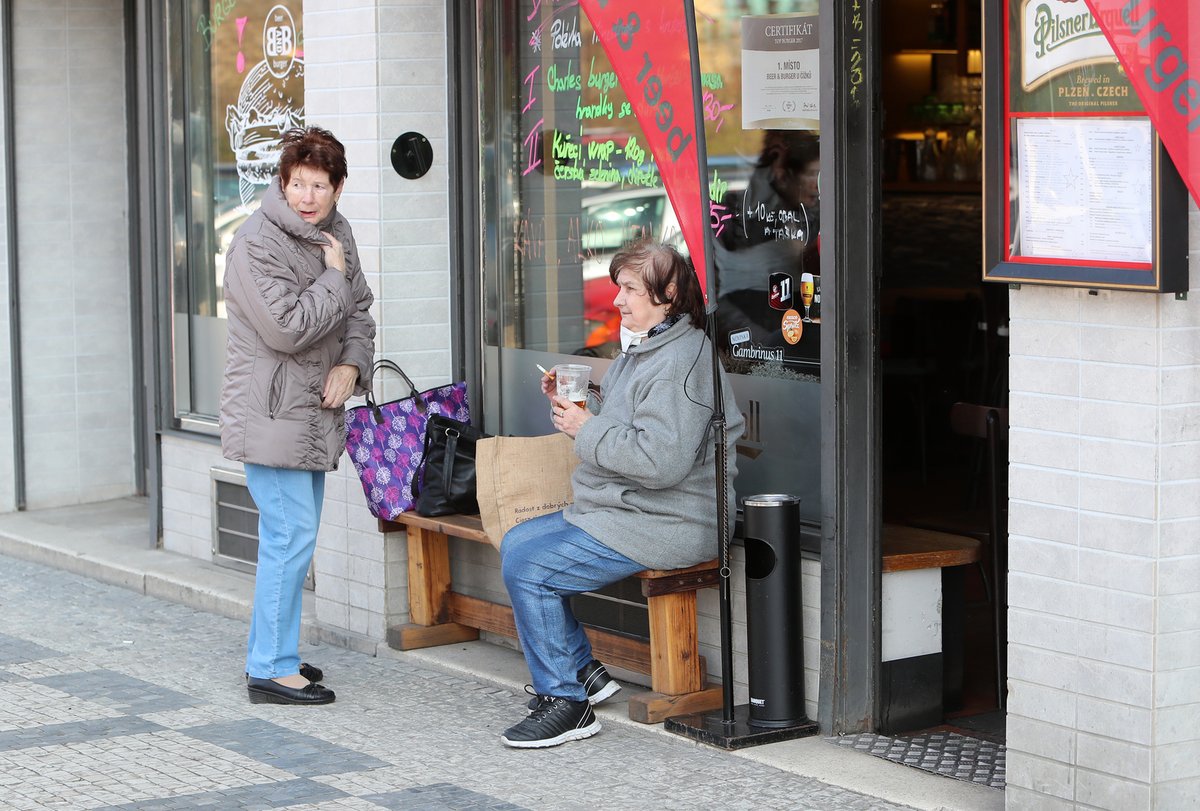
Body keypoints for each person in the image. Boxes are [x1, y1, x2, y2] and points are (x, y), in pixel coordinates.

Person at [498, 240, 744, 748]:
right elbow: (629, 422)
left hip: (671, 520)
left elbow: (660, 462)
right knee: (518, 542)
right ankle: (583, 672)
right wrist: (585, 403)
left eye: (630, 289)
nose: (618, 300)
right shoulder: (648, 343)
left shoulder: (682, 361)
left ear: (669, 294)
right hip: (629, 509)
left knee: (531, 568)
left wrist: (585, 429)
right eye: (620, 287)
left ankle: (567, 703)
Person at [219, 126, 376, 706]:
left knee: (292, 539)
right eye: (297, 184)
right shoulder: (256, 242)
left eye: (319, 184)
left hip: (315, 409)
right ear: (282, 185)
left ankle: (276, 649)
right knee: (290, 536)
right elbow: (286, 328)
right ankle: (271, 667)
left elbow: (359, 313)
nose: (307, 196)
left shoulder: (336, 232)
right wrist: (333, 277)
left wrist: (352, 368)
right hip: (272, 410)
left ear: (336, 188)